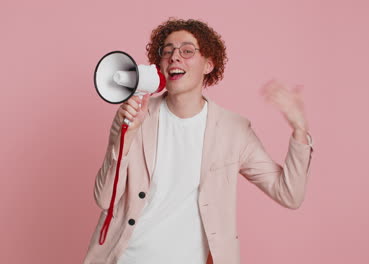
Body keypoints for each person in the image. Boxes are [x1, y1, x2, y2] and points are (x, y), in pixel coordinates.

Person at [83, 18, 313, 264]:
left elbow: (290, 194)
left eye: (187, 51)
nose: (175, 57)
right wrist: (126, 135)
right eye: (167, 51)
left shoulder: (234, 130)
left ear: (208, 64)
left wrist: (300, 129)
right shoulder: (134, 116)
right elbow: (103, 199)